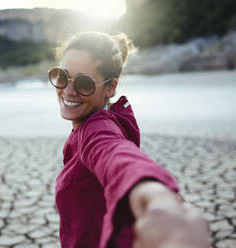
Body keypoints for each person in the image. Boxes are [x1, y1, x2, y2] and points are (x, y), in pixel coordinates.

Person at [48, 31, 211, 248]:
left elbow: (114, 153)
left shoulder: (96, 130)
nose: (67, 90)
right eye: (62, 76)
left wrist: (156, 195)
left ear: (110, 87)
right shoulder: (102, 122)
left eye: (84, 83)